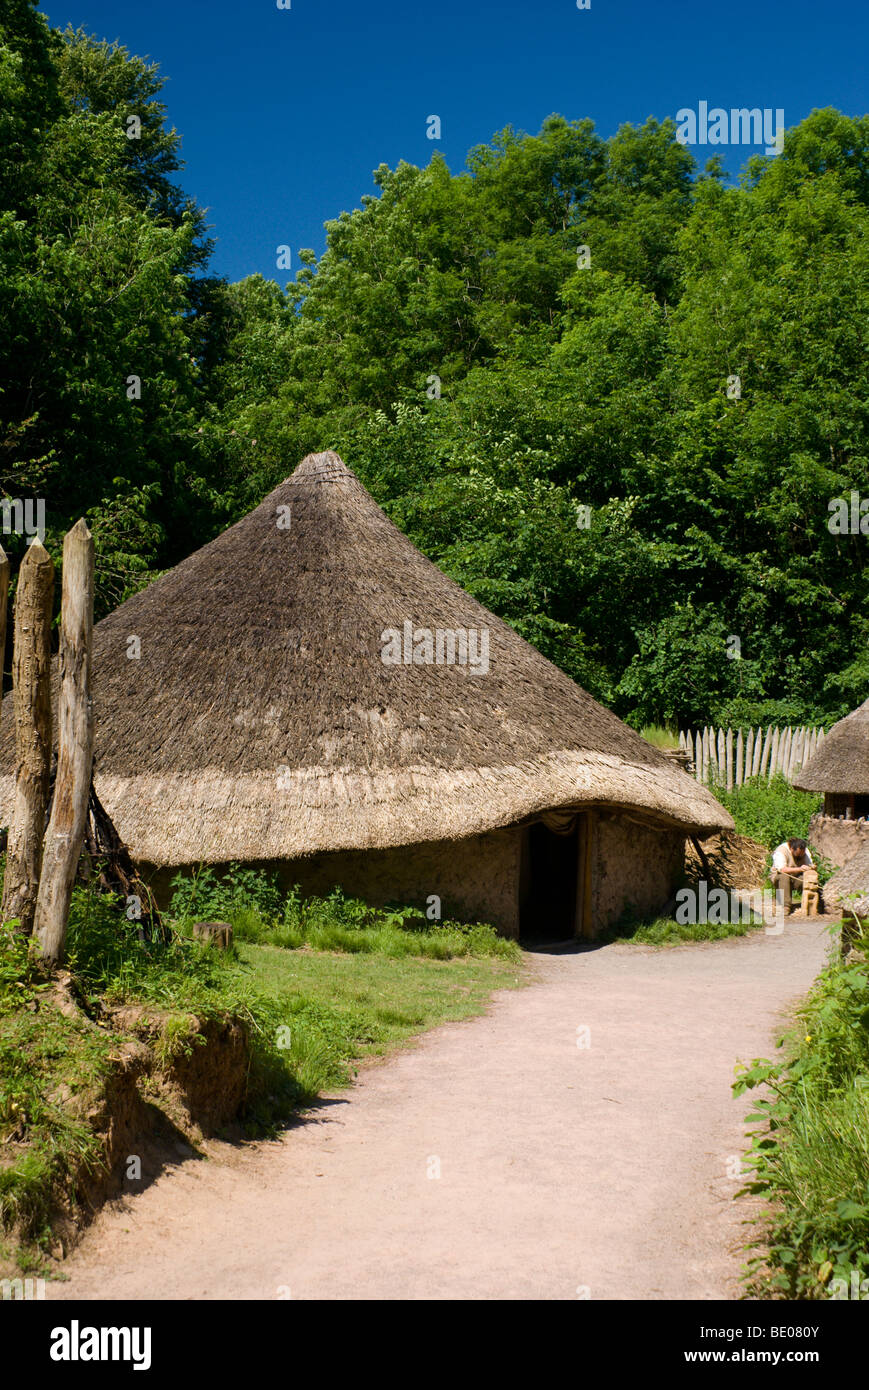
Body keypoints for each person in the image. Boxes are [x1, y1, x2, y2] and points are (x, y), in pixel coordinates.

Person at [771, 837, 814, 916]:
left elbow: (810, 865)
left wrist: (811, 867)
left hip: (795, 878)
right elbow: (782, 870)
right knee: (784, 876)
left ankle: (813, 903)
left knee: (808, 877)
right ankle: (785, 906)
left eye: (802, 854)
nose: (800, 856)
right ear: (791, 849)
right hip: (780, 879)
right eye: (798, 854)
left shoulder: (805, 851)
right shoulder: (781, 851)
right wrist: (800, 869)